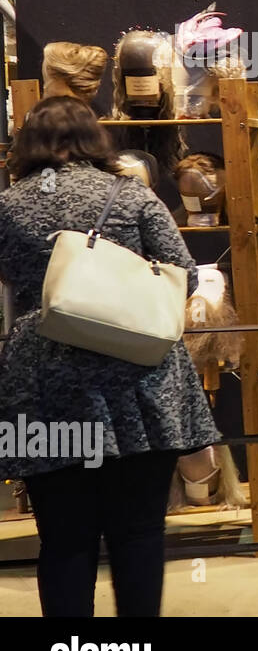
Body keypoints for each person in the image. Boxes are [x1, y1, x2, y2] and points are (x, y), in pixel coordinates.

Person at [0, 97, 220, 617]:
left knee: (63, 538)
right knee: (138, 532)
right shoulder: (132, 196)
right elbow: (184, 275)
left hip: (46, 380)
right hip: (138, 376)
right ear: (95, 139)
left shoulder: (8, 206)